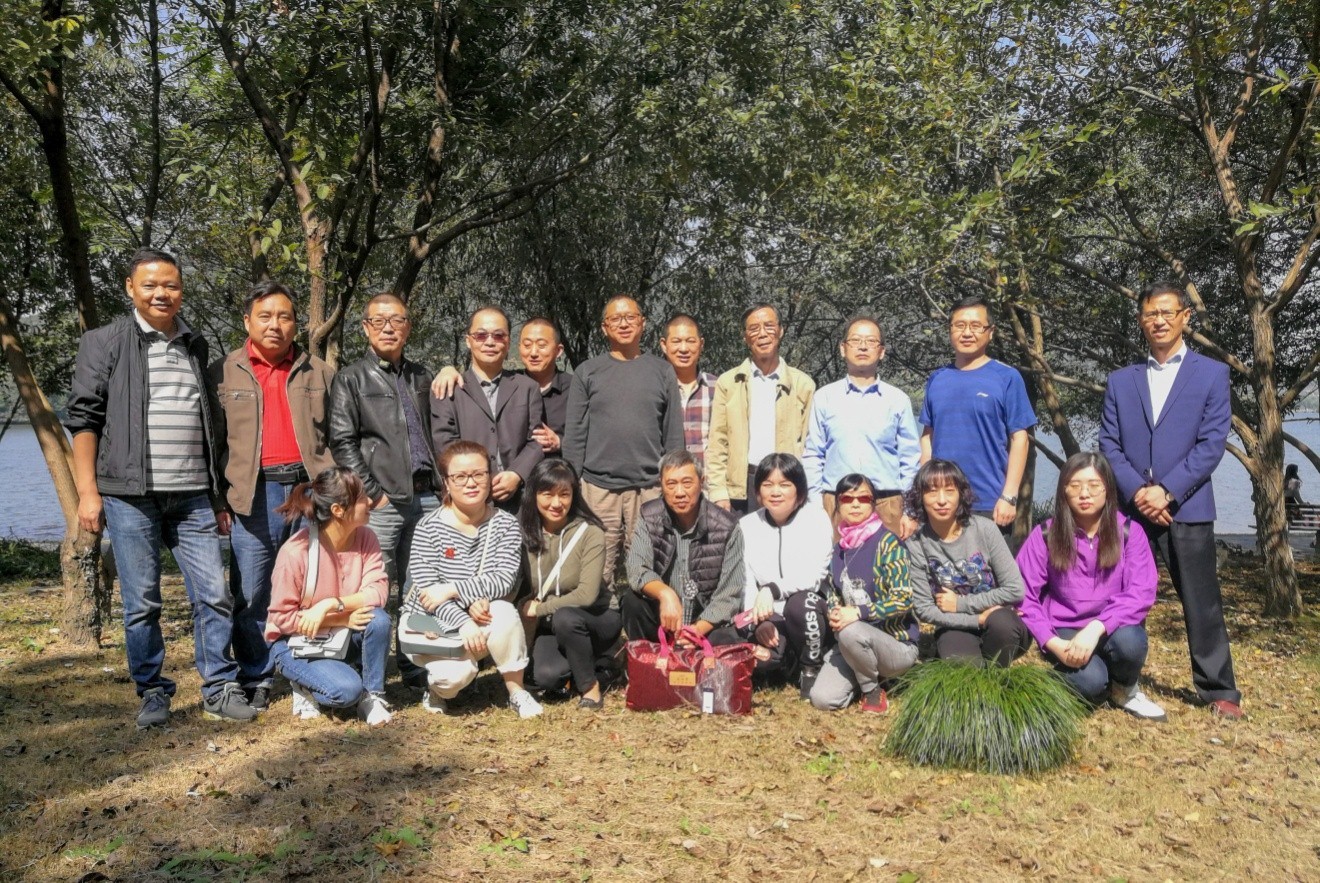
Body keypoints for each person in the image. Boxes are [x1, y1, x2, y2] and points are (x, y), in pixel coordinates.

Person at [67, 247, 255, 727]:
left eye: (170, 285)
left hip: (192, 494)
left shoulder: (195, 343)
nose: (160, 293)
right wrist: (88, 494)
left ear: (181, 291)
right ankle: (153, 691)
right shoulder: (104, 342)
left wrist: (215, 497)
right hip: (130, 498)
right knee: (142, 603)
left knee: (214, 593)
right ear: (130, 289)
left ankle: (219, 685)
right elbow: (84, 421)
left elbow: (209, 426)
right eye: (149, 285)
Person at [1099, 280, 1242, 719]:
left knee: (1201, 601)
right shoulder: (1122, 381)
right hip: (1132, 511)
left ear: (1184, 317)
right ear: (1141, 321)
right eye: (1149, 314)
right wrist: (1139, 492)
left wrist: (1168, 489)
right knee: (1124, 599)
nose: (1158, 321)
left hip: (1188, 507)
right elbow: (1109, 443)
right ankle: (1118, 681)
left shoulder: (1211, 373)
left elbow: (1211, 442)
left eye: (1167, 313)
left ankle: (1219, 691)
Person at [211, 280, 336, 713]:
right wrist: (217, 500)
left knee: (312, 584)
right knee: (252, 591)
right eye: (265, 316)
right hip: (254, 493)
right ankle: (256, 676)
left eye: (284, 316)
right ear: (247, 321)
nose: (275, 324)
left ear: (295, 322)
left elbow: (338, 436)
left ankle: (311, 668)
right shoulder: (222, 372)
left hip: (309, 490)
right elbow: (212, 442)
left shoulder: (318, 371)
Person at [329, 293, 439, 686]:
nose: (389, 327)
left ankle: (414, 662)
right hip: (383, 499)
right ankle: (365, 667)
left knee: (421, 581)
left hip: (428, 496)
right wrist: (373, 492)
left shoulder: (422, 376)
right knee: (376, 583)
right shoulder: (351, 379)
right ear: (365, 328)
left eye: (397, 320)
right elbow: (341, 441)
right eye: (379, 321)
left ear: (409, 326)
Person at [1016, 453, 1166, 720]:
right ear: (1064, 491)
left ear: (1107, 488)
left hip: (1113, 628)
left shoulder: (1130, 532)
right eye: (1075, 485)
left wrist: (1097, 627)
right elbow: (1022, 594)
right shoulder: (1045, 535)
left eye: (1094, 485)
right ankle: (1086, 680)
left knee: (1131, 643)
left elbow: (1140, 592)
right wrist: (1051, 642)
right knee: (1091, 683)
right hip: (1066, 630)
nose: (1084, 493)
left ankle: (1124, 690)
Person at [402, 441, 543, 718]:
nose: (471, 483)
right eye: (460, 477)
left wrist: (453, 589)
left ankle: (517, 691)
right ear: (446, 482)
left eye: (479, 474)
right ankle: (437, 689)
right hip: (427, 620)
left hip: (481, 616)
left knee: (502, 609)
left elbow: (501, 580)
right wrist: (463, 620)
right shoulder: (427, 527)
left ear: (490, 477)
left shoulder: (505, 524)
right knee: (453, 679)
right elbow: (428, 595)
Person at [562, 295, 684, 582]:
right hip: (597, 486)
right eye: (615, 318)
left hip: (650, 486)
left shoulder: (662, 371)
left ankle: (641, 623)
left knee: (649, 561)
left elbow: (673, 433)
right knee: (597, 563)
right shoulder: (587, 372)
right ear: (605, 328)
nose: (624, 323)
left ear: (642, 323)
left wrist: (674, 482)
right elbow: (575, 434)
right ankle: (601, 620)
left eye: (630, 317)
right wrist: (571, 482)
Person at [265, 467, 393, 725]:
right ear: (338, 510)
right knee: (345, 692)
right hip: (298, 644)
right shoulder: (296, 552)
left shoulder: (366, 537)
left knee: (378, 619)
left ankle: (373, 696)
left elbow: (378, 590)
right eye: (361, 498)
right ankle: (305, 685)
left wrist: (330, 605)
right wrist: (339, 620)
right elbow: (282, 619)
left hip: (341, 636)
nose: (369, 502)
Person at [913, 296, 1034, 535]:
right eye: (959, 325)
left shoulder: (1007, 377)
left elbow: (1020, 439)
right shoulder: (937, 379)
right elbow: (927, 437)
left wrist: (1009, 496)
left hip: (990, 503)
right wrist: (922, 492)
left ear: (990, 332)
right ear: (950, 331)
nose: (967, 333)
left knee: (993, 573)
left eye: (976, 326)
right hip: (941, 501)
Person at [905, 459, 1031, 667]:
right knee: (964, 669)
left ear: (961, 494)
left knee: (1003, 625)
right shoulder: (916, 544)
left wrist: (961, 604)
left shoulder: (985, 529)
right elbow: (924, 610)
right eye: (932, 492)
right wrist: (976, 620)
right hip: (955, 626)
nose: (942, 500)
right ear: (920, 497)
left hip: (998, 620)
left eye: (949, 490)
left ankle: (997, 673)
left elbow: (1015, 590)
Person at [809, 474, 919, 713]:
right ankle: (864, 675)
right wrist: (835, 610)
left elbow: (904, 599)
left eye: (863, 498)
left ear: (873, 503)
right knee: (822, 699)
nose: (855, 504)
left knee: (850, 630)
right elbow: (833, 591)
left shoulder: (888, 544)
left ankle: (872, 691)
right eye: (847, 498)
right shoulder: (840, 549)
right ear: (838, 504)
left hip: (895, 644)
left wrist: (859, 612)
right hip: (852, 643)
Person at [802, 317, 920, 534]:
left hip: (887, 505)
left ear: (881, 351)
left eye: (871, 341)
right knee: (835, 568)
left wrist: (910, 510)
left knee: (888, 567)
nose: (863, 346)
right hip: (836, 504)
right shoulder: (824, 397)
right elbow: (813, 454)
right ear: (842, 349)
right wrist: (815, 504)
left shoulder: (897, 400)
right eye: (855, 340)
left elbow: (910, 459)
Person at [517, 459, 617, 710]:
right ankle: (598, 665)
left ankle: (590, 687)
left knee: (566, 618)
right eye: (547, 494)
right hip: (554, 625)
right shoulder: (524, 534)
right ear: (533, 495)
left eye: (564, 494)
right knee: (546, 677)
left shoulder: (590, 533)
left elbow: (586, 595)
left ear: (574, 495)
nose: (556, 503)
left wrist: (538, 609)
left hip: (597, 618)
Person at [622, 450, 744, 644]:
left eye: (687, 483)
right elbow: (637, 568)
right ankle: (647, 664)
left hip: (706, 620)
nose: (679, 493)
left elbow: (730, 592)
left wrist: (698, 629)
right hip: (663, 616)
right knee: (632, 602)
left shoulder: (726, 526)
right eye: (671, 484)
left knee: (727, 639)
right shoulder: (649, 516)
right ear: (661, 484)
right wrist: (665, 594)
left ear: (701, 481)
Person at [431, 306, 545, 512]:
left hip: (518, 501)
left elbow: (537, 440)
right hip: (466, 502)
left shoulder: (527, 387)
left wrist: (516, 474)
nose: (490, 342)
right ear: (468, 340)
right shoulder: (449, 389)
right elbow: (445, 444)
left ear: (508, 341)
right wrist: (479, 479)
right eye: (481, 335)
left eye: (499, 335)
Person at [707, 304, 816, 513]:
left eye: (769, 326)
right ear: (745, 337)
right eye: (754, 328)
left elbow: (810, 446)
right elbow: (717, 443)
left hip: (786, 484)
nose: (763, 334)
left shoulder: (803, 385)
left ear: (781, 330)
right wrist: (719, 492)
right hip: (742, 487)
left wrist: (805, 492)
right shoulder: (728, 383)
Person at [736, 453, 833, 685]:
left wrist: (772, 589)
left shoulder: (816, 519)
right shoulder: (746, 525)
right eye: (767, 485)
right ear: (758, 492)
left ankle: (811, 666)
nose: (775, 492)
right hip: (771, 615)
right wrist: (757, 621)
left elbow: (815, 576)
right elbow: (746, 580)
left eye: (784, 485)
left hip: (808, 612)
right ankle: (786, 662)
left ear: (799, 491)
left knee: (800, 605)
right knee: (731, 641)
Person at [660, 313, 718, 468]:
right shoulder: (654, 389)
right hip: (668, 485)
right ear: (664, 345)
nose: (684, 349)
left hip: (708, 485)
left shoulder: (717, 388)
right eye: (676, 341)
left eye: (691, 341)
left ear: (701, 344)